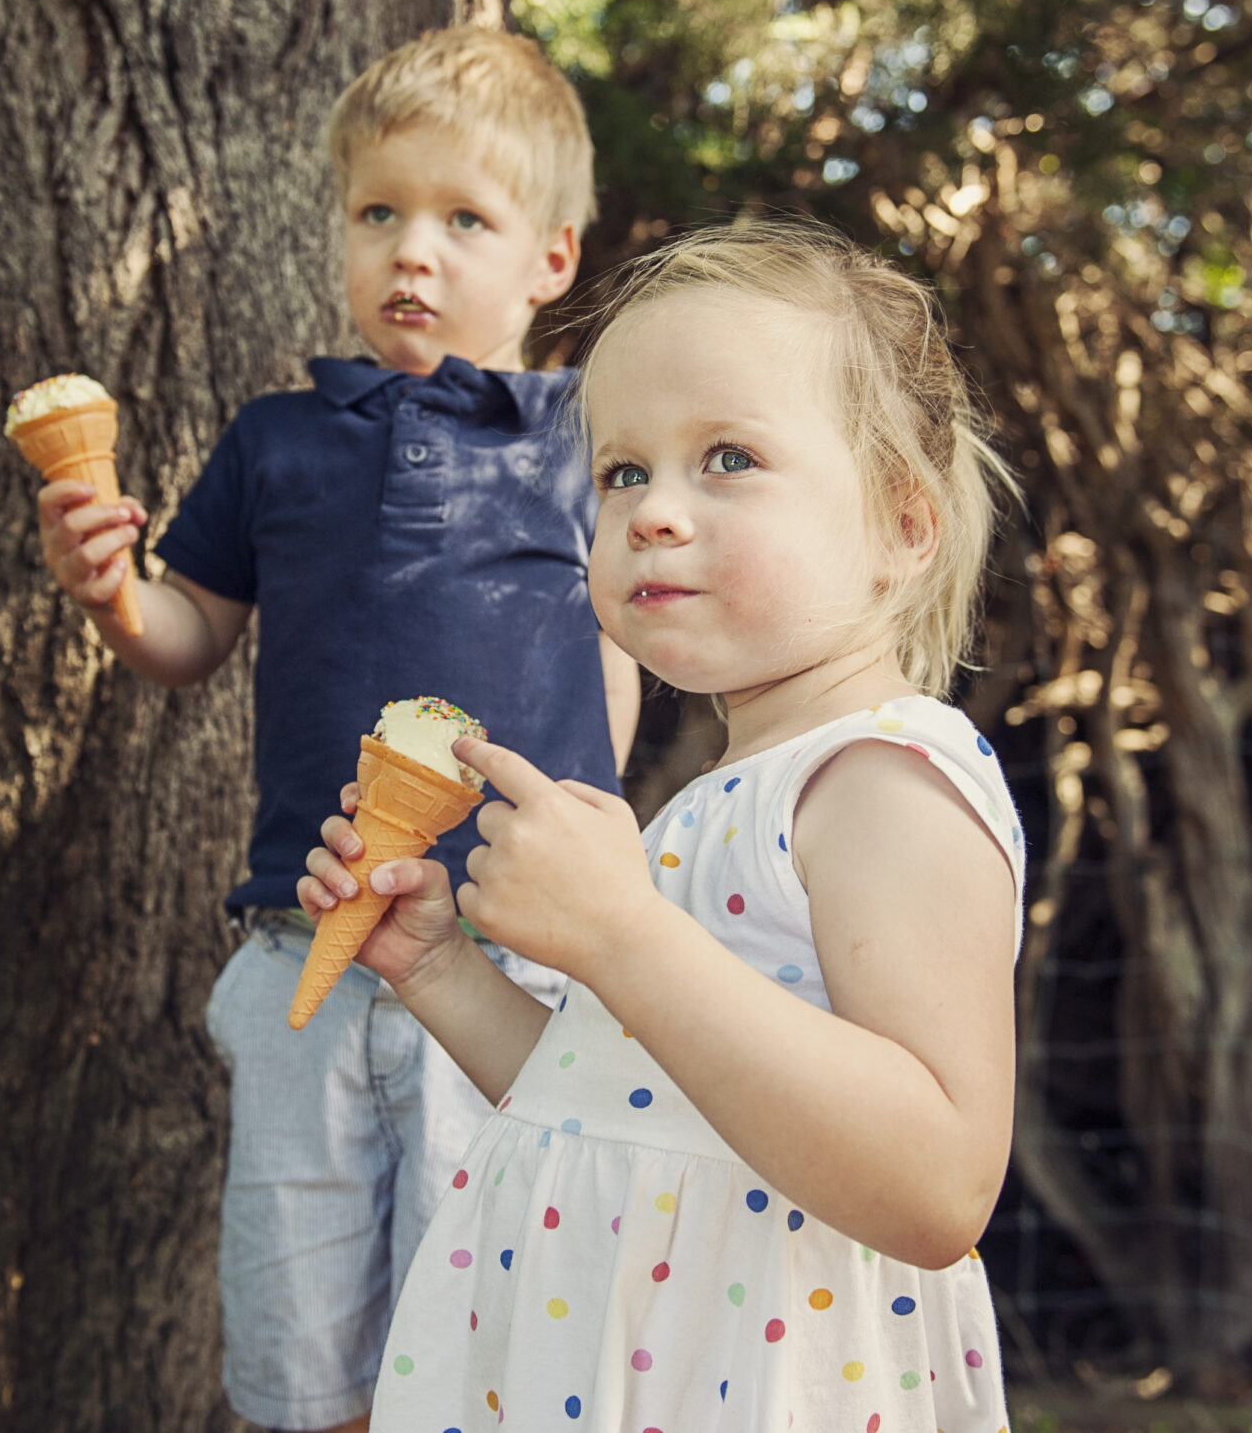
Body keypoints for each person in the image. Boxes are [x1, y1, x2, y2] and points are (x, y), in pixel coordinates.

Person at [303, 218, 1027, 1432]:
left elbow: (939, 1182)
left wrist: (625, 935)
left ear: (904, 526)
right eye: (625, 470)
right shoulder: (713, 799)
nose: (651, 511)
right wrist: (437, 967)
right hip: (622, 1361)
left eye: (728, 458)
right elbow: (611, 1100)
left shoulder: (883, 782)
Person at [32, 27, 641, 1433]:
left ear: (550, 257)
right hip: (300, 937)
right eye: (379, 214)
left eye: (461, 219)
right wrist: (108, 587)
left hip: (505, 959)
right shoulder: (274, 438)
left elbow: (632, 649)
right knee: (304, 1354)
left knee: (491, 1342)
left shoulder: (587, 438)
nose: (409, 254)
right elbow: (187, 637)